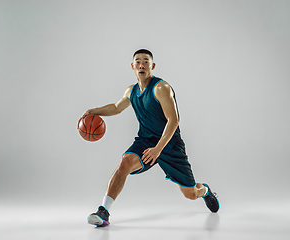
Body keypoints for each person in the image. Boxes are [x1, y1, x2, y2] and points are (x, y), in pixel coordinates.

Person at [80, 49, 220, 226]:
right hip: (146, 141)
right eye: (138, 61)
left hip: (169, 144)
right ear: (132, 66)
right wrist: (93, 111)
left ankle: (206, 191)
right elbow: (116, 107)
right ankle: (103, 212)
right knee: (124, 164)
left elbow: (174, 120)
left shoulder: (161, 87)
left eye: (146, 61)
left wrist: (158, 149)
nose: (141, 65)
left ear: (152, 66)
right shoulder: (131, 91)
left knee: (190, 194)